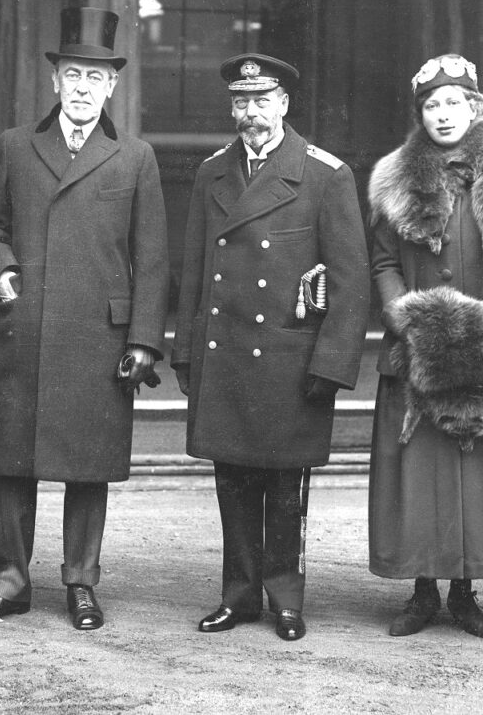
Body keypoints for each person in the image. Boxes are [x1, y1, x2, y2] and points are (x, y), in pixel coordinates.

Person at [0, 7, 169, 631]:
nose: (82, 87)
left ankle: (81, 581)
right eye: (73, 74)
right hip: (28, 327)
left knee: (87, 466)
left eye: (95, 77)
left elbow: (153, 259)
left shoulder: (133, 157)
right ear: (55, 81)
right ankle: (11, 581)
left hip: (97, 336)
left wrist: (143, 341)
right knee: (11, 463)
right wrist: (0, 271)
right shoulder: (16, 146)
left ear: (112, 87)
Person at [171, 53, 369, 641]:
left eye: (262, 100)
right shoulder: (212, 172)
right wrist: (186, 352)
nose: (251, 112)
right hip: (226, 351)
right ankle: (239, 596)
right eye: (241, 101)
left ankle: (285, 597)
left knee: (286, 489)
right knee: (232, 482)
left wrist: (332, 363)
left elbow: (352, 281)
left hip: (291, 358)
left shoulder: (324, 174)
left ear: (284, 104)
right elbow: (196, 267)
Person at [367, 54, 483, 638]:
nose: (443, 114)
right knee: (421, 471)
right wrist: (408, 319)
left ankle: (465, 592)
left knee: (477, 471)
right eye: (431, 105)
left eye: (454, 103)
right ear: (419, 113)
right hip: (417, 342)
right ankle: (422, 590)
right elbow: (385, 262)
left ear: (474, 106)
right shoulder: (395, 176)